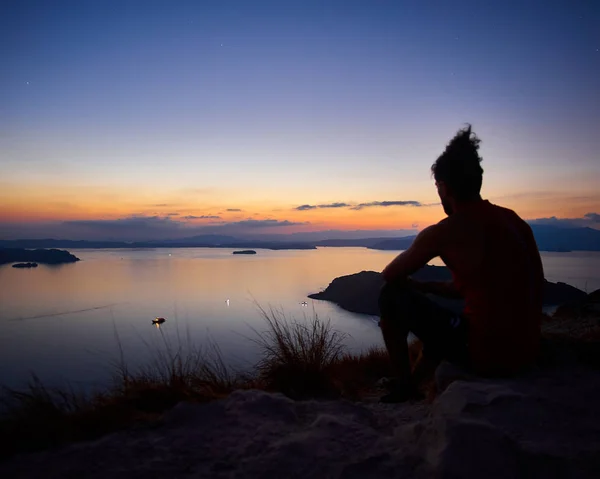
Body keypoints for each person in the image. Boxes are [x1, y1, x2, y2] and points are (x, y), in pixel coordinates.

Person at [379, 125, 544, 403]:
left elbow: (390, 274)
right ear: (478, 180)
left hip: (486, 353)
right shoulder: (513, 220)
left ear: (443, 187)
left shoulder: (446, 230)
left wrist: (415, 280)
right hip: (527, 351)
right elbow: (482, 285)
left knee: (392, 296)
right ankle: (418, 379)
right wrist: (425, 286)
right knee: (446, 320)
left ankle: (404, 387)